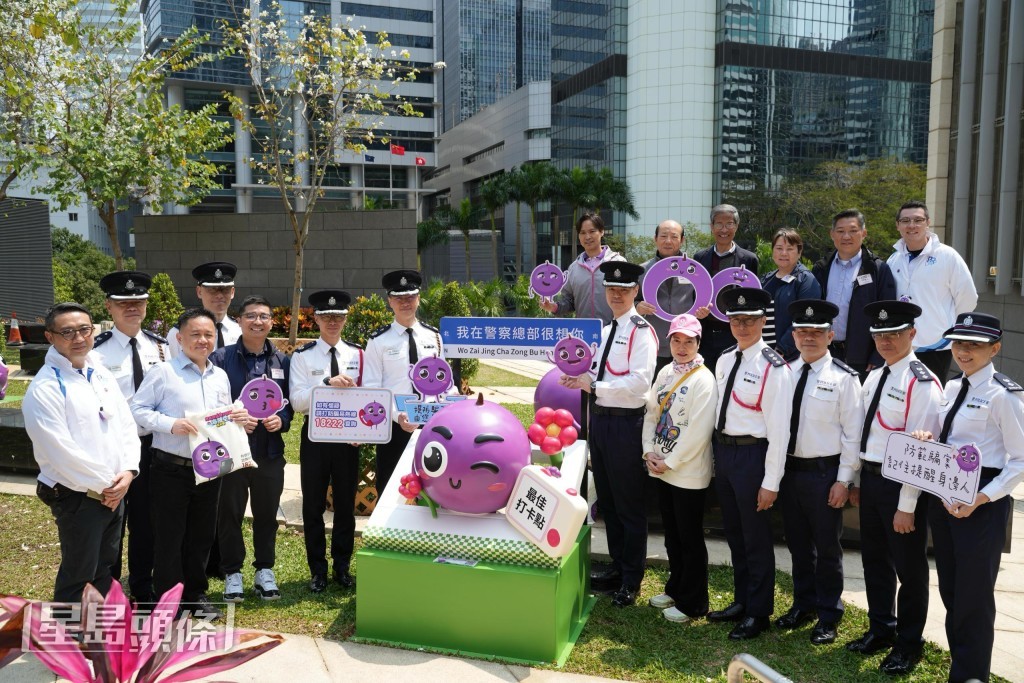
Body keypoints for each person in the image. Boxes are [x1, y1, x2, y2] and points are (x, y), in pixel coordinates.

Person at [910, 313, 1024, 683]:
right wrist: (930, 439)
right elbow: (952, 442)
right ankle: (960, 668)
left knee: (974, 598)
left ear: (995, 348)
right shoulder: (952, 387)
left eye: (974, 344)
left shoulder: (1003, 394)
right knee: (952, 591)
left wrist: (982, 498)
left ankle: (971, 676)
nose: (964, 351)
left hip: (982, 501)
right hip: (946, 495)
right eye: (959, 343)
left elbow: (1021, 459)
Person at [130, 308, 249, 618]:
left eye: (208, 334)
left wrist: (236, 416)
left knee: (201, 535)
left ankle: (195, 595)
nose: (202, 340)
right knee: (169, 537)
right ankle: (168, 600)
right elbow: (137, 411)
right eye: (195, 334)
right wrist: (172, 424)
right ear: (179, 338)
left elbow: (221, 419)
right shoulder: (163, 373)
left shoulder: (219, 376)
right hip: (171, 468)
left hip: (210, 469)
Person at [847, 300, 942, 676]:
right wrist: (854, 480)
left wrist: (907, 505)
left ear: (912, 334)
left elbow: (918, 454)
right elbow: (863, 433)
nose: (885, 341)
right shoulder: (875, 375)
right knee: (874, 561)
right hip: (871, 481)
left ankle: (908, 643)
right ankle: (881, 628)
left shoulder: (921, 382)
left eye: (894, 334)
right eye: (879, 334)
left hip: (901, 488)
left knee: (910, 569)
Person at [23, 303, 140, 603]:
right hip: (78, 495)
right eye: (67, 332)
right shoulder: (45, 387)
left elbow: (126, 424)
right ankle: (68, 641)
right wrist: (109, 485)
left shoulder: (99, 372)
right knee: (79, 572)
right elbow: (60, 451)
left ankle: (97, 633)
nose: (78, 338)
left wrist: (128, 471)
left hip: (114, 490)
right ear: (50, 337)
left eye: (84, 329)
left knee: (105, 567)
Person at [561, 261, 657, 608]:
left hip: (625, 424)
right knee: (610, 503)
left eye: (624, 289)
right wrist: (576, 377)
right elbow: (594, 373)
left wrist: (595, 385)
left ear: (635, 292)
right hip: (600, 422)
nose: (616, 294)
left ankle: (632, 579)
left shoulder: (641, 331)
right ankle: (617, 567)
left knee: (629, 504)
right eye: (611, 288)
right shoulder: (604, 331)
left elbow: (639, 384)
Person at [775, 299, 864, 645]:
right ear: (794, 335)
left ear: (830, 336)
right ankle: (804, 604)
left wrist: (844, 480)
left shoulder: (843, 379)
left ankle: (829, 614)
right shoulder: (785, 373)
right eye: (802, 331)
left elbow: (852, 435)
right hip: (791, 473)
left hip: (824, 474)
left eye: (816, 332)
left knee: (827, 548)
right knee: (798, 545)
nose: (808, 337)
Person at [706, 287, 792, 640]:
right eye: (736, 320)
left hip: (753, 456)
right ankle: (742, 601)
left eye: (749, 320)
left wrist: (771, 482)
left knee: (756, 538)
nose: (742, 326)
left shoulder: (774, 367)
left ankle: (759, 613)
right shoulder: (725, 358)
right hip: (725, 454)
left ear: (763, 322)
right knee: (735, 534)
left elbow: (780, 430)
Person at [93, 271, 169, 604]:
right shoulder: (97, 353)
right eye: (124, 303)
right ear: (109, 306)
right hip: (112, 450)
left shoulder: (162, 348)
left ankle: (142, 584)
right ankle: (109, 591)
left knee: (147, 521)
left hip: (152, 447)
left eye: (138, 302)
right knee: (110, 520)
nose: (132, 308)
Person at [209, 296, 292, 602]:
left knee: (267, 514)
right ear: (239, 320)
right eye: (251, 316)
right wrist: (233, 420)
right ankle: (232, 572)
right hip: (231, 453)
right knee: (229, 513)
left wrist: (279, 420)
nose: (258, 321)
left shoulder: (283, 361)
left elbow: (289, 406)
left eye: (264, 316)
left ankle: (264, 570)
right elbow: (212, 407)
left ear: (272, 322)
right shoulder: (220, 358)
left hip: (269, 452)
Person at [642, 313, 716, 623]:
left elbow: (700, 431)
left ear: (699, 343)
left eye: (689, 341)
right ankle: (675, 588)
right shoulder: (665, 372)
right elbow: (651, 414)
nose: (682, 347)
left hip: (687, 472)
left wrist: (669, 461)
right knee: (672, 535)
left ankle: (694, 602)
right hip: (661, 467)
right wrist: (648, 451)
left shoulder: (704, 379)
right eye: (676, 340)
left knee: (689, 537)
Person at [289, 289, 365, 593]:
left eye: (338, 316)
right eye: (326, 316)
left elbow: (369, 398)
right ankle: (317, 570)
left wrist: (363, 432)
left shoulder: (359, 354)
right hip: (315, 438)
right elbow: (296, 401)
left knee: (346, 506)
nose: (332, 321)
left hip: (349, 441)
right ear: (316, 318)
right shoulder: (303, 357)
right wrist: (324, 383)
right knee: (313, 506)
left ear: (346, 318)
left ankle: (342, 568)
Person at [364, 270, 445, 494]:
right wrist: (396, 415)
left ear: (418, 298)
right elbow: (372, 388)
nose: (405, 303)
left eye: (410, 297)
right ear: (390, 301)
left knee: (431, 487)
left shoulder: (434, 337)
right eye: (399, 298)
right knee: (390, 488)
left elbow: (443, 382)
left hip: (430, 424)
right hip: (393, 427)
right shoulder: (378, 341)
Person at [885, 201, 977, 382]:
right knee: (902, 397)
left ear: (928, 223)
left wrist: (948, 327)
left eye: (918, 220)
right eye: (905, 220)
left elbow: (968, 297)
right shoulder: (894, 259)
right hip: (902, 345)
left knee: (932, 400)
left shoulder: (947, 256)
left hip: (935, 345)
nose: (912, 225)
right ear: (898, 225)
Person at [812, 209, 896, 381]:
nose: (846, 237)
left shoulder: (877, 269)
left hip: (862, 357)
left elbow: (888, 314)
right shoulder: (821, 267)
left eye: (853, 231)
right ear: (832, 234)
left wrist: (878, 355)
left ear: (863, 233)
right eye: (841, 231)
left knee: (859, 406)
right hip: (825, 353)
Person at [693, 204, 759, 371]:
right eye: (719, 224)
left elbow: (753, 296)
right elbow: (696, 294)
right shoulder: (700, 258)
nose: (724, 229)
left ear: (736, 226)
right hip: (705, 333)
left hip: (735, 333)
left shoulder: (749, 259)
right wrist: (698, 311)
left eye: (729, 224)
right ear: (711, 227)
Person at [539, 213, 625, 326]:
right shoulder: (574, 268)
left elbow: (629, 297)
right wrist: (554, 307)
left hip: (614, 333)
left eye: (592, 231)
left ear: (602, 232)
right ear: (579, 236)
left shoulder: (618, 262)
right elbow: (569, 302)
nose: (587, 237)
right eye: (583, 233)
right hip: (584, 334)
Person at [637, 219, 694, 376]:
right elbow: (630, 302)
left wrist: (703, 310)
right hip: (653, 346)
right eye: (663, 236)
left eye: (674, 237)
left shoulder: (694, 270)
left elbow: (702, 299)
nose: (668, 241)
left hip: (686, 346)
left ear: (682, 240)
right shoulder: (642, 270)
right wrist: (637, 307)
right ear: (655, 239)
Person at [759, 229, 821, 361]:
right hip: (762, 353)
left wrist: (781, 350)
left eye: (790, 249)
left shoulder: (806, 280)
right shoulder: (765, 279)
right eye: (779, 248)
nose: (784, 253)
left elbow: (804, 319)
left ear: (799, 252)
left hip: (790, 356)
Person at [168, 262, 241, 358]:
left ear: (232, 292)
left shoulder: (241, 330)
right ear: (199, 292)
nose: (219, 295)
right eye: (212, 290)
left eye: (225, 290)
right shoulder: (179, 332)